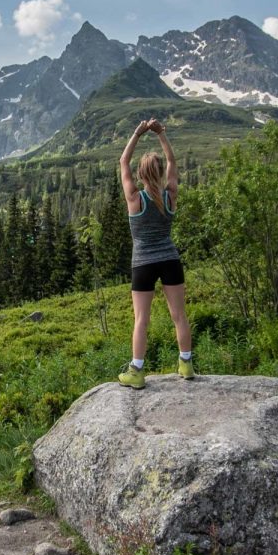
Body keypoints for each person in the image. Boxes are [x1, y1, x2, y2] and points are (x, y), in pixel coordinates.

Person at [117, 117, 193, 388]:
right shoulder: (170, 195)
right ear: (160, 173)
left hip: (143, 264)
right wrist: (161, 134)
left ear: (141, 174)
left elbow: (123, 162)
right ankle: (186, 364)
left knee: (142, 320)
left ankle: (136, 372)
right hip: (170, 260)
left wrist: (137, 133)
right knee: (179, 316)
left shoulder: (135, 198)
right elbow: (173, 162)